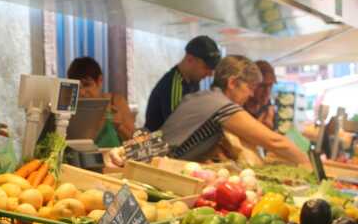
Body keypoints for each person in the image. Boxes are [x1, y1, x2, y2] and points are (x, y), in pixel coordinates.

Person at [108, 55, 309, 167]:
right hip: (150, 167)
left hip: (148, 160)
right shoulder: (221, 105)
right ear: (232, 83)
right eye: (249, 88)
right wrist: (310, 166)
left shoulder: (204, 97)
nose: (250, 95)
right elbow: (275, 141)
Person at [144, 35, 222, 132]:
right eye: (206, 67)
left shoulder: (193, 80)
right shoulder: (173, 85)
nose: (210, 74)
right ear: (190, 59)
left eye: (212, 69)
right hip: (160, 144)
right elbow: (177, 130)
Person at [66, 57, 135, 146]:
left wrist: (120, 126)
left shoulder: (116, 102)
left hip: (113, 159)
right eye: (76, 86)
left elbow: (136, 142)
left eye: (87, 85)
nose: (81, 92)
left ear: (100, 80)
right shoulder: (70, 108)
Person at [244, 60, 277, 129]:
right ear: (251, 84)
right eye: (263, 86)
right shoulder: (239, 107)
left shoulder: (268, 107)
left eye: (270, 86)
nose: (267, 91)